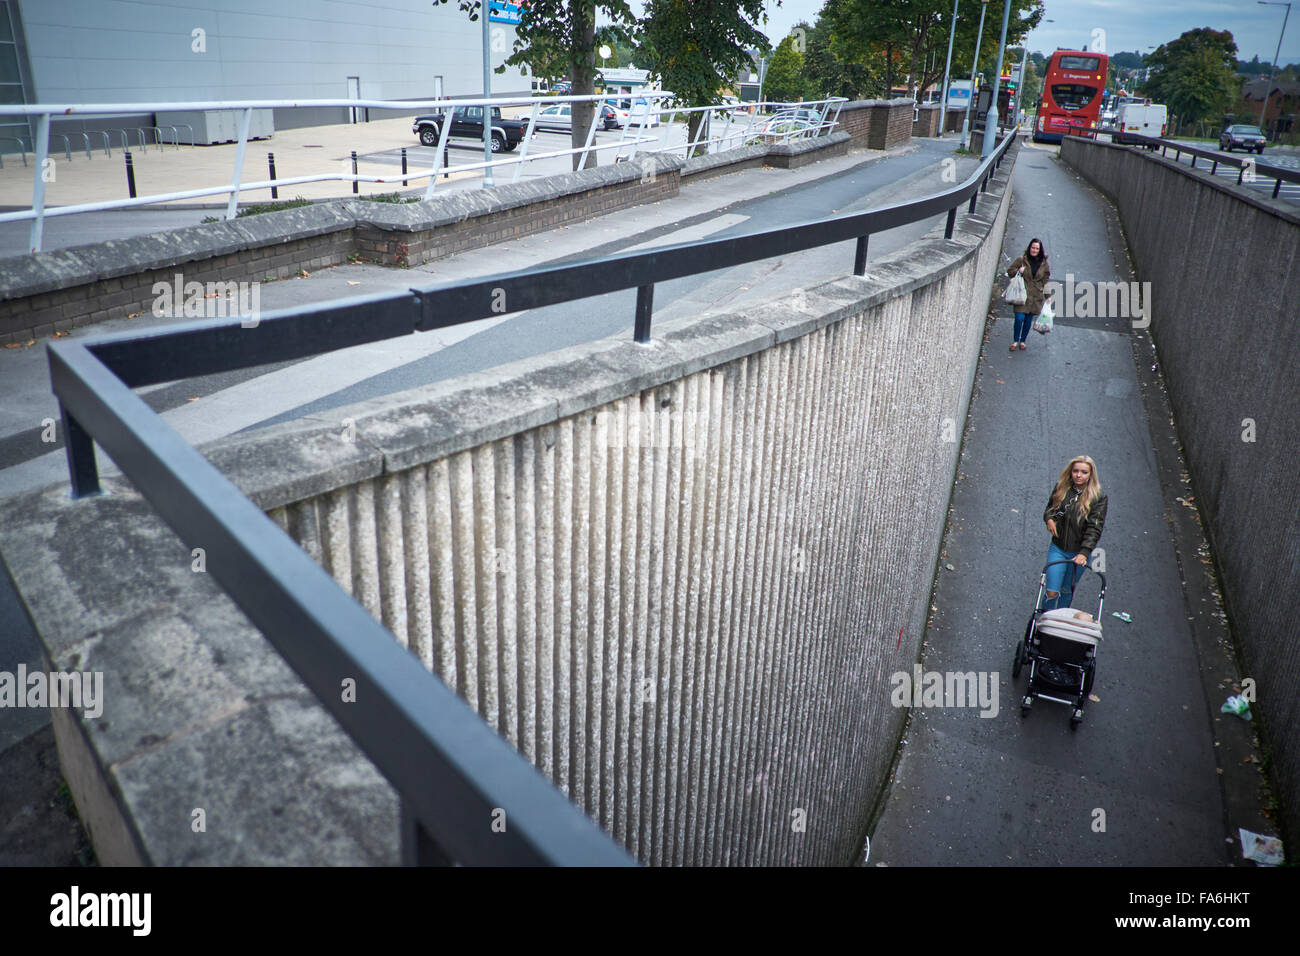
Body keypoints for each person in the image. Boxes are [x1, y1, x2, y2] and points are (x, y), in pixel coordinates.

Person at [1041, 455, 1108, 610]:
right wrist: (1049, 519)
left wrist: (1084, 553)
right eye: (1076, 471)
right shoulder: (1062, 488)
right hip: (1058, 548)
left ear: (1091, 474)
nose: (1079, 475)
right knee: (1051, 591)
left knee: (1066, 590)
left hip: (1078, 553)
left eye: (1084, 472)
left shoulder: (1098, 497)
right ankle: (1044, 617)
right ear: (1070, 472)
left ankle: (1060, 620)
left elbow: (1094, 528)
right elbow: (1050, 508)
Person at [1006, 238, 1051, 351]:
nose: (1034, 250)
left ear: (1040, 250)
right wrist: (1018, 271)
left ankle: (1023, 341)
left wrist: (1048, 296)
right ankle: (1015, 340)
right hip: (1021, 294)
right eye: (1033, 247)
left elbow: (1045, 280)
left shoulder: (1044, 264)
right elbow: (1010, 272)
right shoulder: (1021, 260)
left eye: (1037, 248)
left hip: (1035, 296)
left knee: (1027, 320)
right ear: (1029, 247)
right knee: (1019, 318)